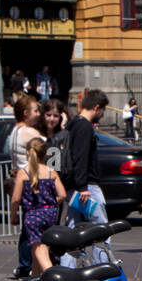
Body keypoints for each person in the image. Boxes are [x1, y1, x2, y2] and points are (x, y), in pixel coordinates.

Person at [9, 136, 66, 275]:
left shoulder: (24, 173)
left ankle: (51, 274)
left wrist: (13, 215)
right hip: (50, 214)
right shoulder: (51, 172)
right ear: (45, 153)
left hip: (32, 215)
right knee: (40, 249)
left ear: (28, 152)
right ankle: (35, 279)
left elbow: (16, 198)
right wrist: (51, 203)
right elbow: (63, 194)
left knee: (38, 247)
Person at [63, 87, 108, 244]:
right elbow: (81, 156)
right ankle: (103, 264)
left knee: (72, 228)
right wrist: (83, 186)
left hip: (74, 186)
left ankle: (66, 265)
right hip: (87, 187)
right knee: (101, 230)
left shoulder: (73, 123)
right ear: (96, 107)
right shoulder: (85, 127)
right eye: (103, 110)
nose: (103, 114)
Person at [9, 94, 43, 277]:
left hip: (21, 181)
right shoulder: (30, 132)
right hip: (33, 182)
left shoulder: (14, 131)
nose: (39, 114)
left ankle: (25, 264)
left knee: (27, 225)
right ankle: (28, 264)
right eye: (35, 110)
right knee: (33, 225)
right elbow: (47, 149)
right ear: (25, 113)